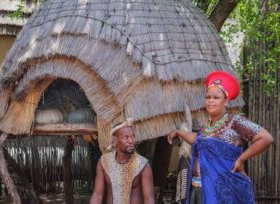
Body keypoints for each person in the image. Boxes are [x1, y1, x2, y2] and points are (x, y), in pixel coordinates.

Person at [168, 70, 273, 204]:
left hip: (223, 192)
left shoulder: (235, 122)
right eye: (208, 97)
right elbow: (198, 140)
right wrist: (179, 132)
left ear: (226, 101)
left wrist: (241, 159)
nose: (211, 101)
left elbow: (266, 138)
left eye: (216, 98)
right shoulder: (207, 125)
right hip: (199, 189)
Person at [90, 118, 155, 204]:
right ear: (115, 140)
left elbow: (149, 199)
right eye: (126, 137)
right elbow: (98, 194)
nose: (131, 141)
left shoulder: (143, 164)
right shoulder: (104, 162)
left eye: (133, 137)